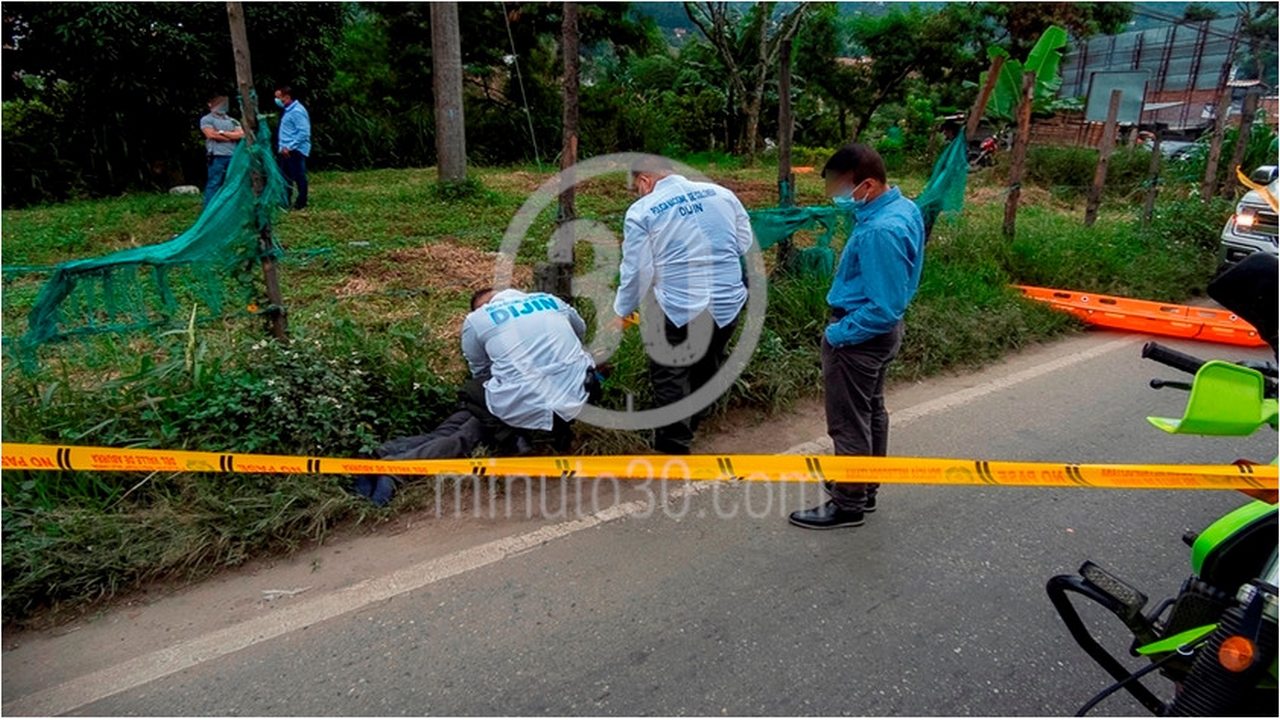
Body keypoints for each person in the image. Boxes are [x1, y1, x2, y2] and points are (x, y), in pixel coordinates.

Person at [790, 144, 925, 530]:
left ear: (868, 185)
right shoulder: (903, 208)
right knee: (871, 412)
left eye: (841, 189)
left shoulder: (880, 231)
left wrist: (838, 334)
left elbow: (884, 307)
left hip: (860, 335)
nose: (835, 197)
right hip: (879, 335)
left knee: (849, 422)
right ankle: (864, 487)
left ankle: (848, 503)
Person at [614, 157, 754, 455]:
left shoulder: (642, 210)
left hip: (680, 302)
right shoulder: (722, 194)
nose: (638, 193)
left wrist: (622, 310)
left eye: (637, 187)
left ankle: (674, 445)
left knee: (670, 371)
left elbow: (638, 271)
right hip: (728, 298)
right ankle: (697, 418)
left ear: (644, 180)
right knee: (709, 360)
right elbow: (743, 242)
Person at [460, 287, 600, 455]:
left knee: (470, 391)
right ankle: (563, 427)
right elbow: (580, 330)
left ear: (482, 307)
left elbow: (480, 368)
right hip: (581, 390)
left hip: (524, 401)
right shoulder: (550, 300)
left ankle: (514, 440)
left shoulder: (476, 320)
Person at [199, 95, 244, 206]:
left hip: (233, 155)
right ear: (210, 104)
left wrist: (221, 133)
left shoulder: (232, 121)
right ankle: (210, 207)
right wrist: (231, 136)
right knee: (214, 182)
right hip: (216, 156)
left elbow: (241, 135)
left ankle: (229, 206)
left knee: (232, 182)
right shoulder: (207, 119)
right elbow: (210, 134)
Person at [274, 85, 311, 210]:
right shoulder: (288, 110)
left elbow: (304, 132)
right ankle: (285, 200)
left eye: (279, 97)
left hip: (295, 150)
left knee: (298, 176)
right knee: (286, 177)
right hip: (286, 150)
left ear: (287, 97)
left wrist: (290, 146)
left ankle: (301, 201)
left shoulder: (296, 111)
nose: (277, 100)